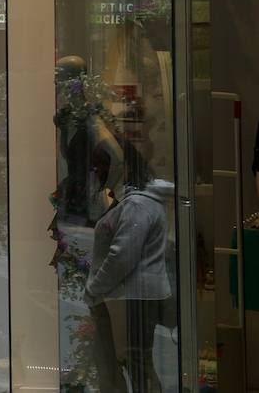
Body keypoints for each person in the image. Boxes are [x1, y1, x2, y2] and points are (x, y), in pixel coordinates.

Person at [85, 142, 174, 393]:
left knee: (132, 362)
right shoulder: (137, 201)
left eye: (101, 166)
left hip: (130, 298)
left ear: (123, 168)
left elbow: (122, 256)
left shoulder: (136, 204)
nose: (97, 172)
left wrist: (94, 287)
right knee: (134, 362)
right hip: (133, 296)